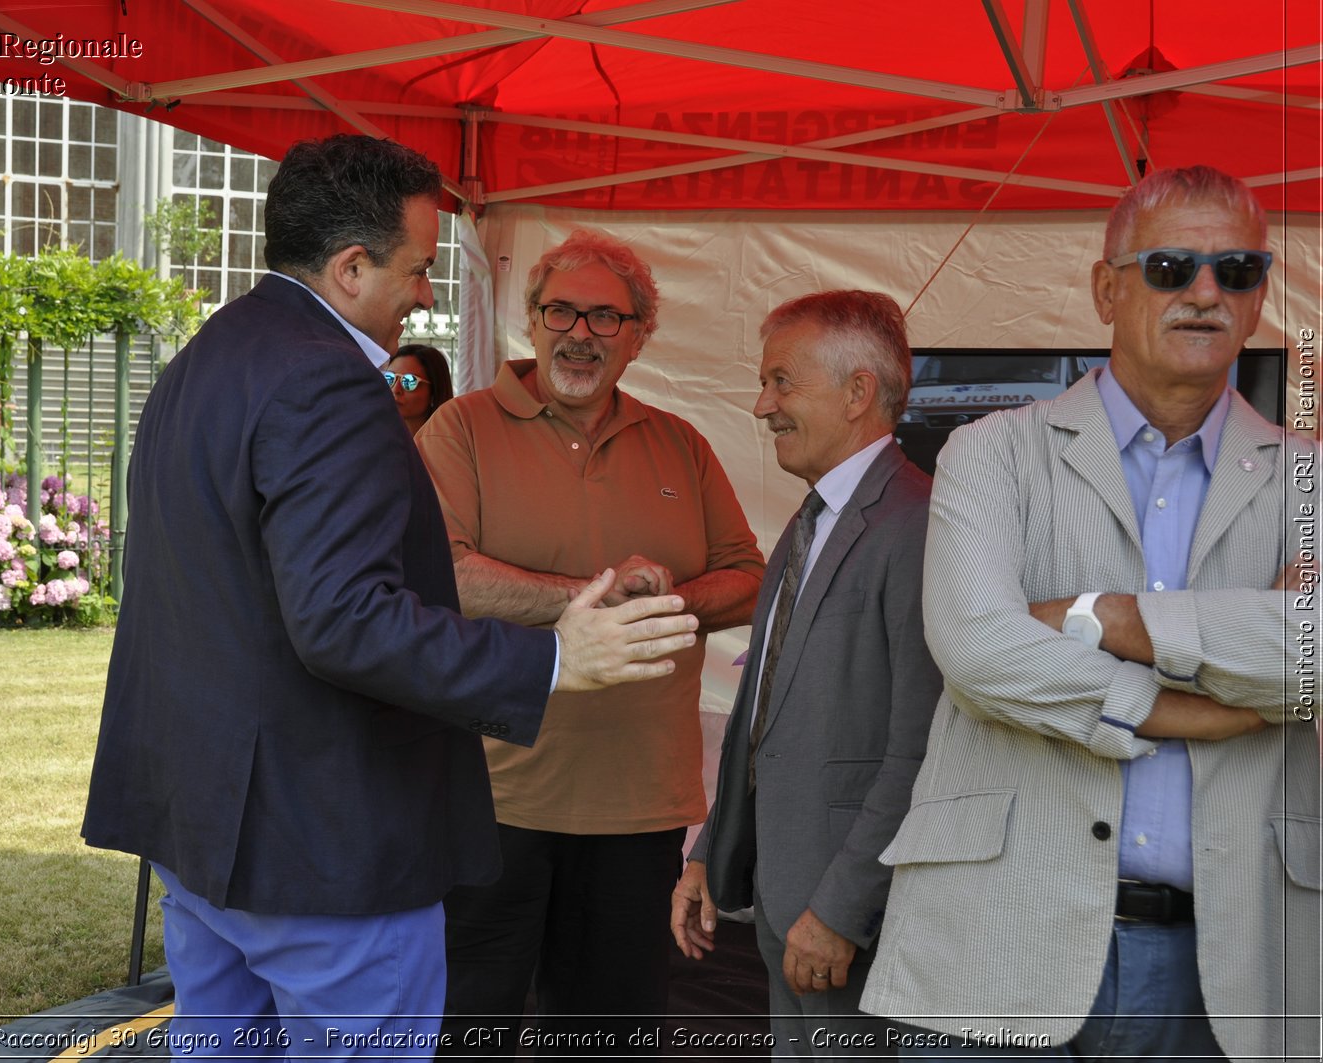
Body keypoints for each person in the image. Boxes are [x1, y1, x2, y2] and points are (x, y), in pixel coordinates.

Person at [80, 136, 699, 1060]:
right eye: (416, 269)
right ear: (351, 266)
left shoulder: (209, 353)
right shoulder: (328, 380)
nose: (426, 295)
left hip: (204, 817)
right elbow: (344, 618)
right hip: (320, 842)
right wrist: (561, 657)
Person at [862, 165, 1320, 1061]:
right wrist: (1198, 698)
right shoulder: (988, 452)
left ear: (1262, 295)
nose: (1204, 292)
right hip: (993, 941)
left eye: (1236, 270)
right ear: (1106, 288)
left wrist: (1099, 615)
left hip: (1233, 968)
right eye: (1171, 267)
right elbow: (978, 648)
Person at [417, 228, 764, 1053]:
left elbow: (749, 573)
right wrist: (593, 598)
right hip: (491, 792)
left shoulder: (681, 442)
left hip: (637, 803)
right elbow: (445, 574)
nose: (581, 333)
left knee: (609, 1030)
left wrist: (670, 598)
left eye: (607, 317)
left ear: (641, 335)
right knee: (471, 1025)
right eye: (561, 310)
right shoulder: (460, 429)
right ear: (529, 322)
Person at [669, 290, 941, 1059]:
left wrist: (842, 910)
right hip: (791, 910)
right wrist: (706, 855)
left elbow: (919, 751)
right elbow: (764, 713)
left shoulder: (917, 524)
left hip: (846, 923)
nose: (762, 405)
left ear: (858, 391)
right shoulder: (810, 516)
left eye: (781, 381)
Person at [389, 343, 453, 434]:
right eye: (389, 378)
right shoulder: (371, 436)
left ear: (434, 393)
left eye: (410, 381)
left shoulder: (448, 443)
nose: (395, 390)